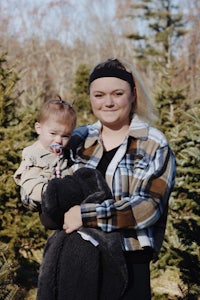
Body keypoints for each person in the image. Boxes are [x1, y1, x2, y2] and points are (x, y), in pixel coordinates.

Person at [38, 58, 176, 300]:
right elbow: (43, 172)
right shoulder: (78, 138)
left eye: (117, 93)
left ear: (133, 95)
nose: (108, 102)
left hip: (129, 261)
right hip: (76, 260)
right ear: (90, 97)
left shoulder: (153, 143)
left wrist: (86, 215)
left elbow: (148, 207)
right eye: (99, 95)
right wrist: (41, 197)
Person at [14, 96, 77, 211]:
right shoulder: (33, 156)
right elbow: (30, 185)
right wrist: (53, 194)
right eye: (53, 133)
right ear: (38, 128)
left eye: (65, 136)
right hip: (45, 201)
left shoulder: (64, 153)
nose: (58, 140)